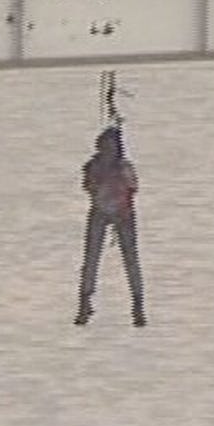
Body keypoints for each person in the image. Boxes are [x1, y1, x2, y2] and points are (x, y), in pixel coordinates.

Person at [73, 124, 146, 329]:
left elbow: (133, 188)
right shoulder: (93, 165)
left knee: (131, 259)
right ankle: (85, 302)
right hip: (100, 212)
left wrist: (120, 197)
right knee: (91, 259)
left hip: (123, 214)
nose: (108, 149)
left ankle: (138, 304)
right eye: (105, 145)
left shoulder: (123, 166)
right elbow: (88, 186)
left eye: (111, 146)